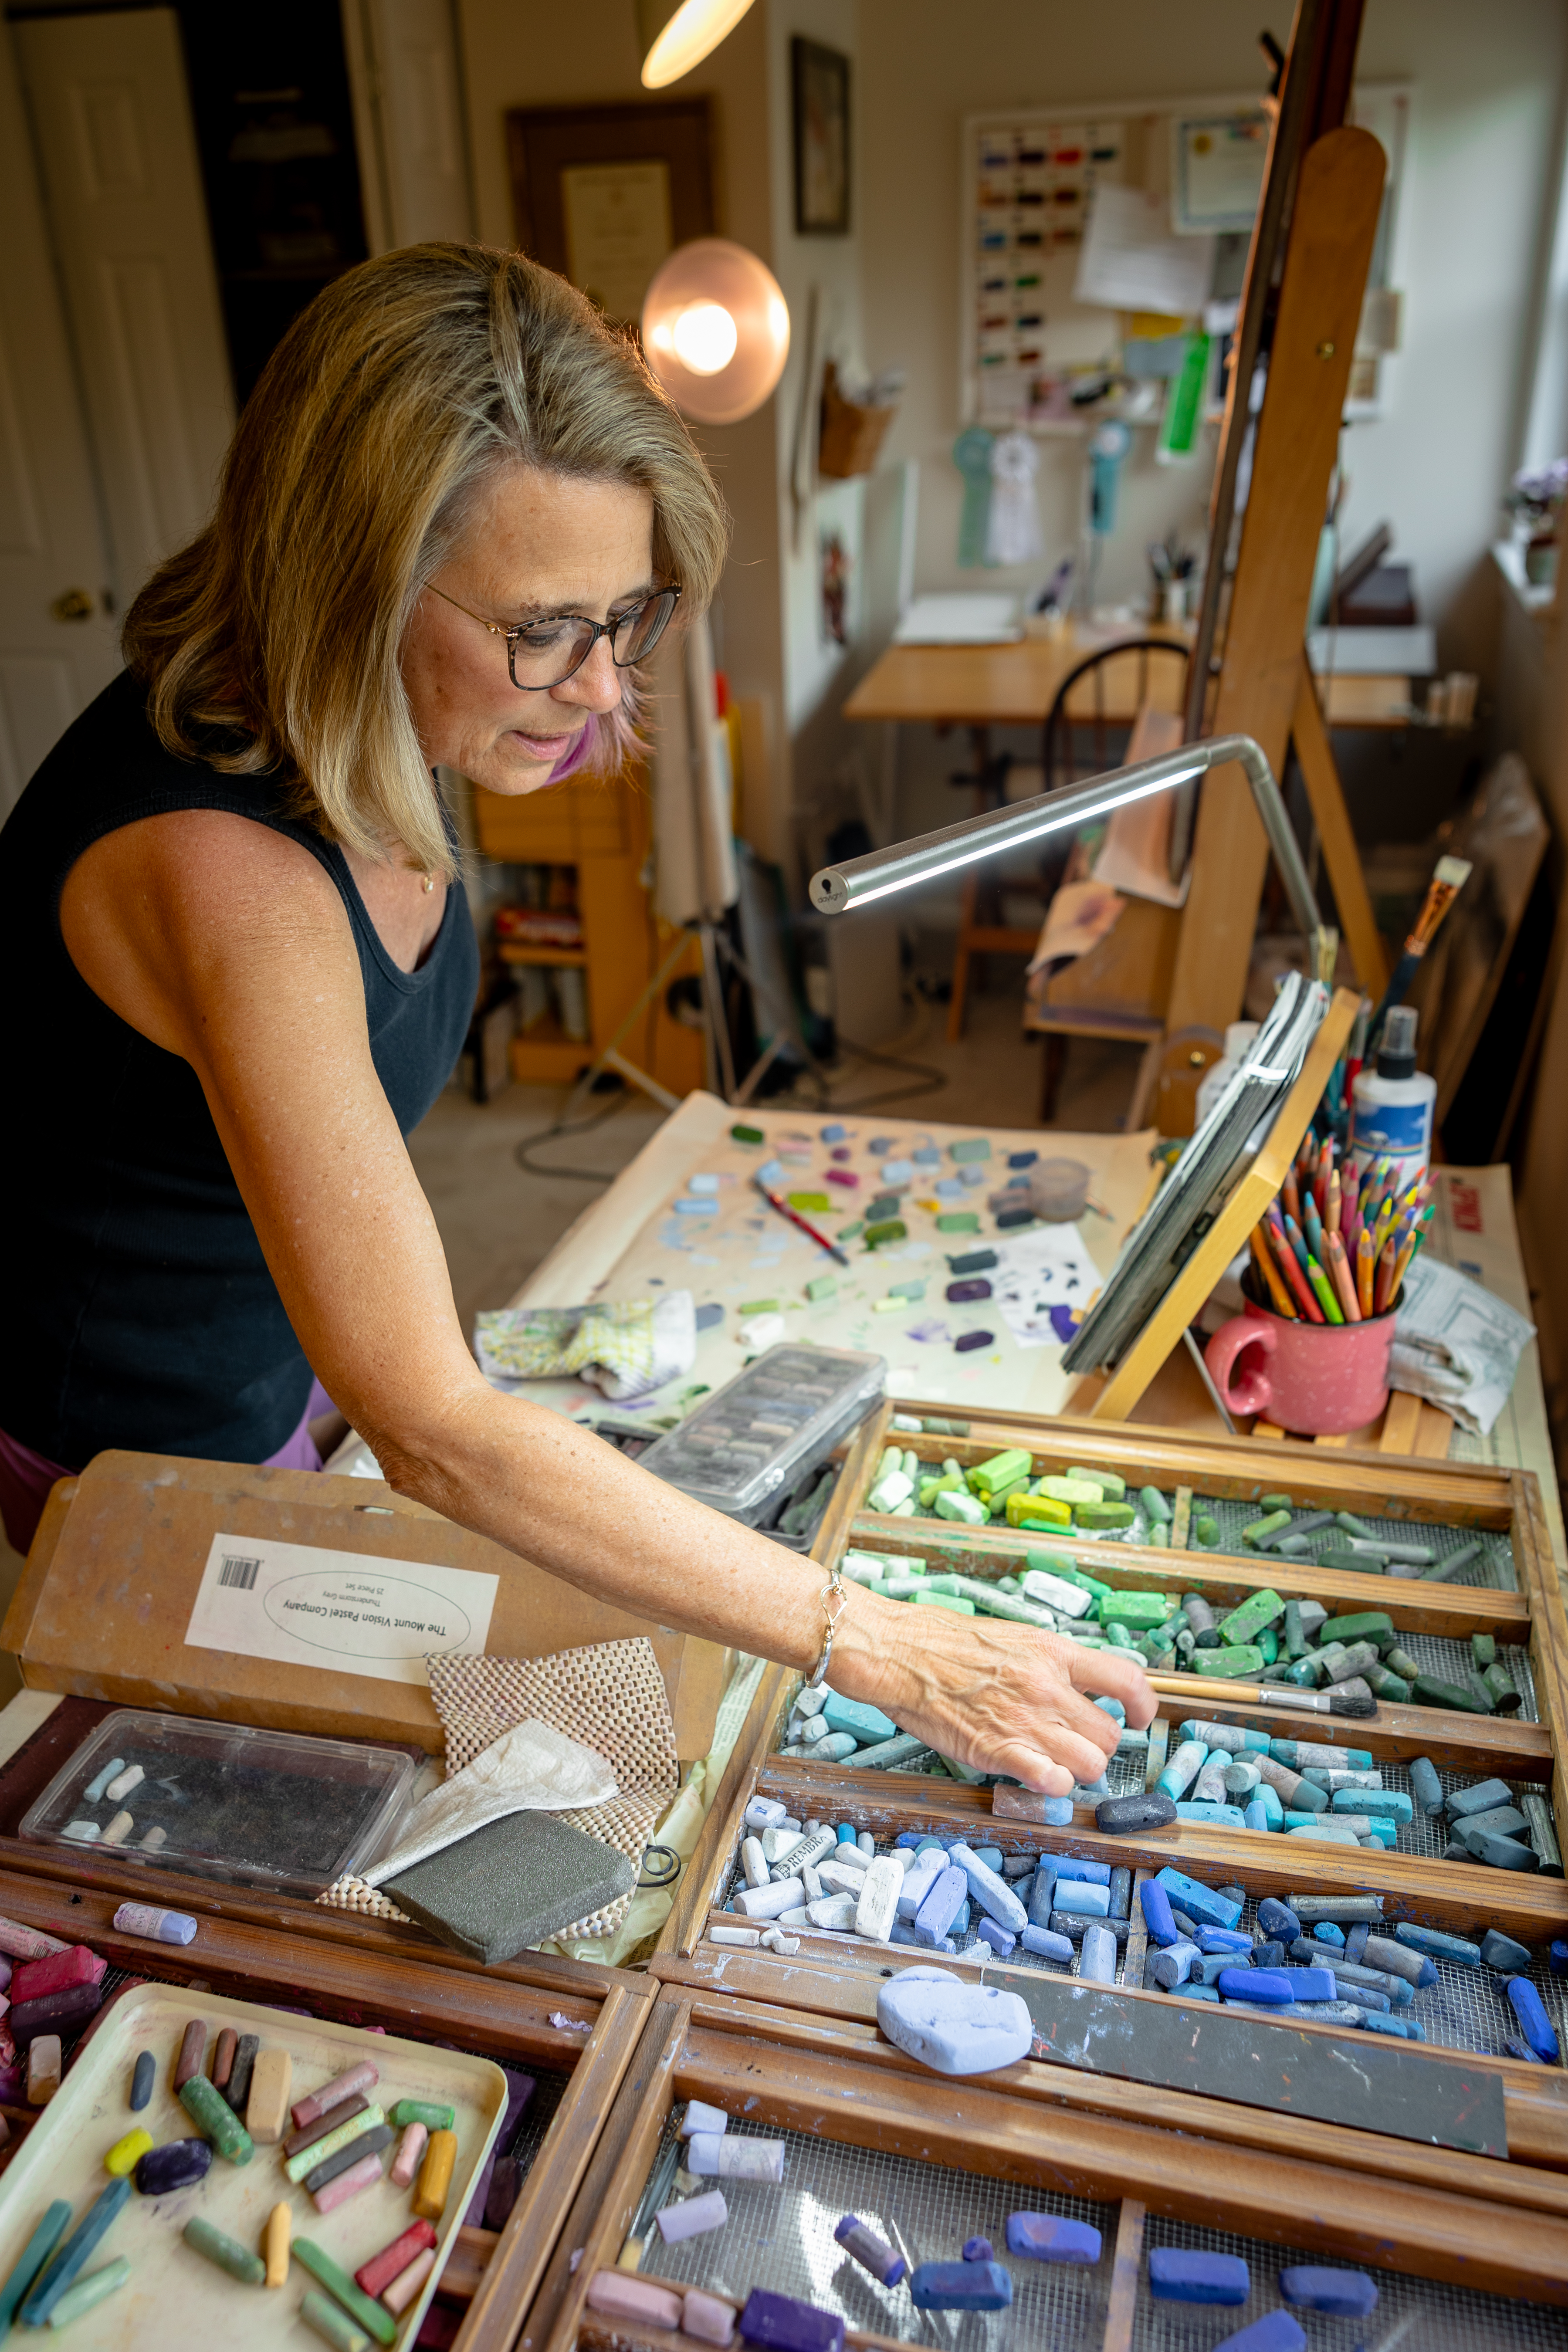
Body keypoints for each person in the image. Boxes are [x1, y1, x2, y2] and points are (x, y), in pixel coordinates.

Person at [0, 243, 1151, 1793]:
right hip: (109, 1474)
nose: (605, 692)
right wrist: (887, 1644)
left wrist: (397, 1381)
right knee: (409, 1816)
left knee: (582, 1687)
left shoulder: (388, 720)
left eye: (628, 618)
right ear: (356, 583)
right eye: (546, 629)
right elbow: (438, 1429)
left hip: (284, 1388)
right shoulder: (225, 874)